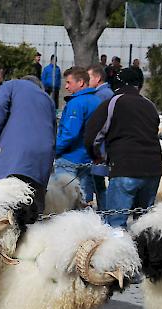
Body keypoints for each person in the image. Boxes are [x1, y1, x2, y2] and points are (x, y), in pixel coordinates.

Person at [84, 68, 162, 228]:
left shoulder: (113, 102)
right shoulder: (149, 105)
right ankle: (143, 251)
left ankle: (118, 251)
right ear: (139, 85)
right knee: (144, 223)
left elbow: (93, 136)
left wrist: (97, 156)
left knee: (116, 223)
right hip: (153, 169)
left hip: (125, 167)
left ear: (117, 84)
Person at [0, 75, 56, 213]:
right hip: (43, 156)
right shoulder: (47, 99)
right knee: (35, 207)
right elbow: (54, 129)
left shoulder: (12, 85)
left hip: (16, 153)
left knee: (3, 202)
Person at [55, 66, 101, 205]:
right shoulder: (97, 101)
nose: (66, 86)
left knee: (63, 202)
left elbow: (70, 133)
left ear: (80, 82)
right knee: (83, 201)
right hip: (88, 158)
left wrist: (54, 150)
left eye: (69, 82)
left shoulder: (76, 103)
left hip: (70, 158)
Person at [87, 63, 115, 209]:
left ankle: (104, 212)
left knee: (99, 183)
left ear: (97, 78)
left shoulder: (101, 95)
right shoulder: (106, 93)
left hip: (100, 147)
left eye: (89, 77)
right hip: (102, 146)